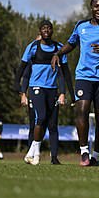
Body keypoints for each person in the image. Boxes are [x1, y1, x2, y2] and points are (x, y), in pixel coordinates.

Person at [52, 0, 99, 167]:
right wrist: (58, 53)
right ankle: (84, 151)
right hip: (84, 76)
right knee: (81, 110)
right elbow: (71, 44)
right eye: (96, 6)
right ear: (91, 7)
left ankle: (96, 156)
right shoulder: (81, 26)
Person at [18, 20, 70, 165]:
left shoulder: (58, 49)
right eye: (43, 30)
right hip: (35, 90)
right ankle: (33, 152)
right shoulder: (32, 53)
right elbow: (25, 75)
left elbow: (61, 74)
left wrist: (62, 92)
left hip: (52, 91)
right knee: (37, 121)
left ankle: (52, 157)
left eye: (48, 29)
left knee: (52, 125)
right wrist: (23, 93)